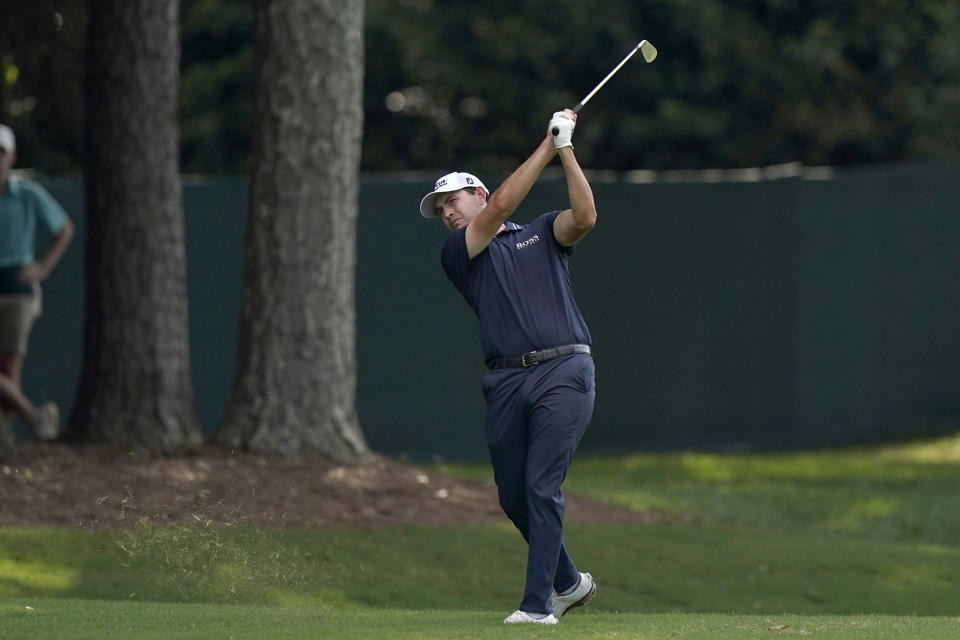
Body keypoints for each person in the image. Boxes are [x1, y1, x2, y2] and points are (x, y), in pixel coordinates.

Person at [418, 110, 598, 624]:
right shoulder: (461, 252)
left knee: (541, 486)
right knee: (513, 495)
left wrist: (565, 150)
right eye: (441, 209)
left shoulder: (541, 232)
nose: (448, 214)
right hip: (504, 381)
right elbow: (499, 207)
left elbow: (583, 218)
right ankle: (568, 583)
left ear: (474, 192)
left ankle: (538, 607)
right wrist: (546, 144)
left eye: (452, 201)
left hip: (564, 371)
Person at [0, 124, 74, 441]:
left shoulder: (29, 194)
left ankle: (5, 438)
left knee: (9, 371)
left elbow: (64, 228)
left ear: (12, 157)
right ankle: (34, 417)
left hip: (17, 289)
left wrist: (43, 267)